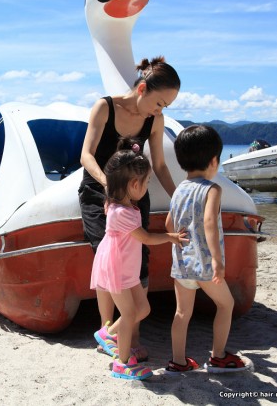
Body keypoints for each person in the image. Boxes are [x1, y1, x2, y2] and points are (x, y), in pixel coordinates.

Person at [80, 56, 180, 361]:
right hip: (99, 192)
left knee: (138, 259)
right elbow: (86, 155)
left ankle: (131, 333)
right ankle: (107, 332)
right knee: (108, 257)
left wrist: (178, 198)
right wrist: (109, 187)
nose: (160, 111)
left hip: (134, 198)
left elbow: (160, 165)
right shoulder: (105, 107)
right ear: (142, 89)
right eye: (159, 103)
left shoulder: (155, 120)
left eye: (166, 106)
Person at [90, 140, 188, 380]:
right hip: (118, 268)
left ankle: (108, 334)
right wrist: (170, 237)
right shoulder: (123, 213)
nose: (147, 186)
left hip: (127, 268)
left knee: (142, 309)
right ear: (134, 185)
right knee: (129, 314)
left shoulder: (119, 205)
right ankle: (122, 363)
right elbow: (145, 238)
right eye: (147, 182)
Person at [165, 124, 250, 373]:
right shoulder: (212, 189)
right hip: (203, 265)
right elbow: (210, 221)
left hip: (182, 264)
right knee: (225, 305)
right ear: (214, 161)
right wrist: (217, 259)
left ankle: (178, 361)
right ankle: (218, 356)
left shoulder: (179, 189)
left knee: (182, 313)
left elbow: (169, 224)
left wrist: (179, 240)